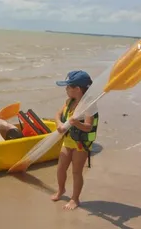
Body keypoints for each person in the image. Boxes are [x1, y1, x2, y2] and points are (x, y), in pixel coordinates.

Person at [50, 70, 99, 210]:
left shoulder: (89, 105)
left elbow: (88, 127)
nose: (66, 90)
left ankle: (75, 199)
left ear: (77, 89)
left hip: (81, 144)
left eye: (68, 87)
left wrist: (76, 123)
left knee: (76, 171)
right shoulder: (69, 101)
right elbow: (58, 114)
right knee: (61, 168)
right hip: (68, 140)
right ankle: (61, 190)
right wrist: (59, 124)